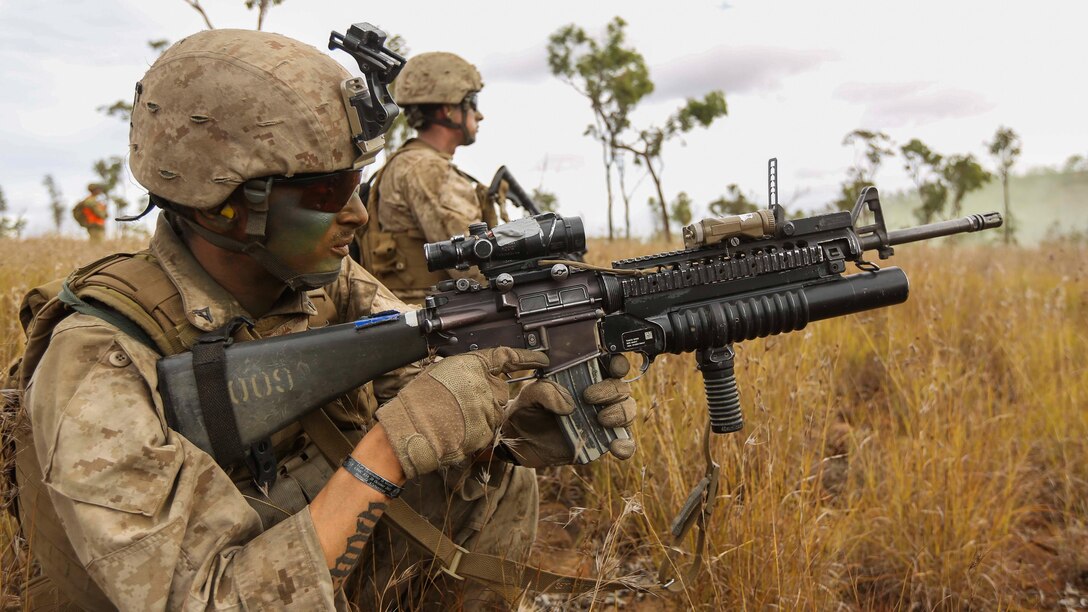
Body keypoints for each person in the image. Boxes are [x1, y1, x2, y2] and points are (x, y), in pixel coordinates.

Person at [11, 29, 637, 610]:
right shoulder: (97, 357)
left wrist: (506, 428)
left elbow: (428, 393)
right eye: (324, 194)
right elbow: (205, 600)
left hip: (294, 531)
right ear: (221, 206)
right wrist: (386, 451)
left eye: (356, 185)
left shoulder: (326, 281)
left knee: (492, 480)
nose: (357, 215)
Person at [355, 51, 497, 304]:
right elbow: (474, 267)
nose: (480, 115)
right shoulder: (427, 169)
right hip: (437, 318)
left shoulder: (408, 162)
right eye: (472, 102)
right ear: (448, 110)